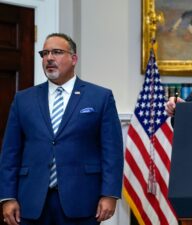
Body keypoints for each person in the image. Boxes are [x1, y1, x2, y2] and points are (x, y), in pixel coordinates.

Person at [0, 33, 124, 225]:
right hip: (31, 201)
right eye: (45, 53)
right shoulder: (23, 99)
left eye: (57, 52)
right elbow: (10, 152)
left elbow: (112, 151)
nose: (49, 58)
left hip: (82, 200)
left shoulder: (100, 97)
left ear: (73, 59)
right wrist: (7, 196)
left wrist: (110, 194)